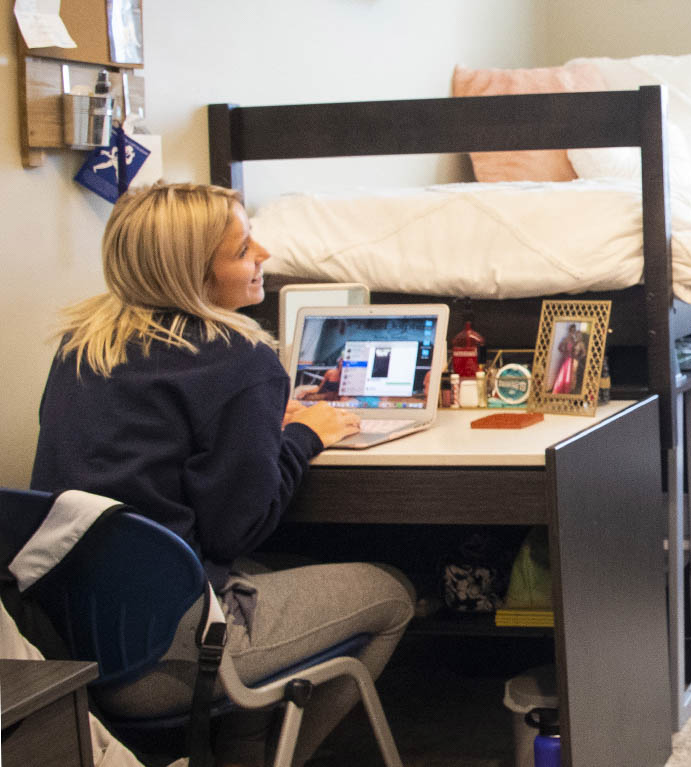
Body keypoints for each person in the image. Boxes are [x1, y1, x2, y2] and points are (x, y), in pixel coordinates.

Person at [30, 183, 415, 767]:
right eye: (241, 249)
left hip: (78, 643)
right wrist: (305, 435)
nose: (264, 254)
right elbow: (239, 527)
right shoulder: (238, 360)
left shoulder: (83, 346)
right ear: (192, 272)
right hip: (171, 655)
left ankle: (240, 748)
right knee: (393, 591)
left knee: (260, 575)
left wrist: (262, 425)